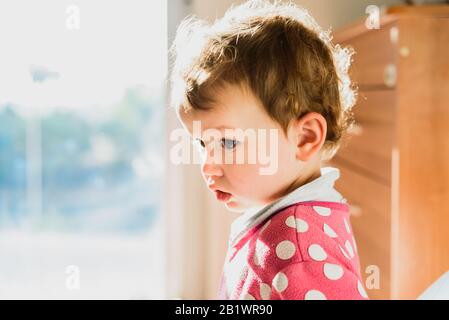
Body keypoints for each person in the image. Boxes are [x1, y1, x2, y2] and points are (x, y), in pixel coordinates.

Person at [169, 0, 369, 300]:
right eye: (202, 144)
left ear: (304, 138)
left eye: (227, 143)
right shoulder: (282, 217)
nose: (207, 166)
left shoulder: (302, 253)